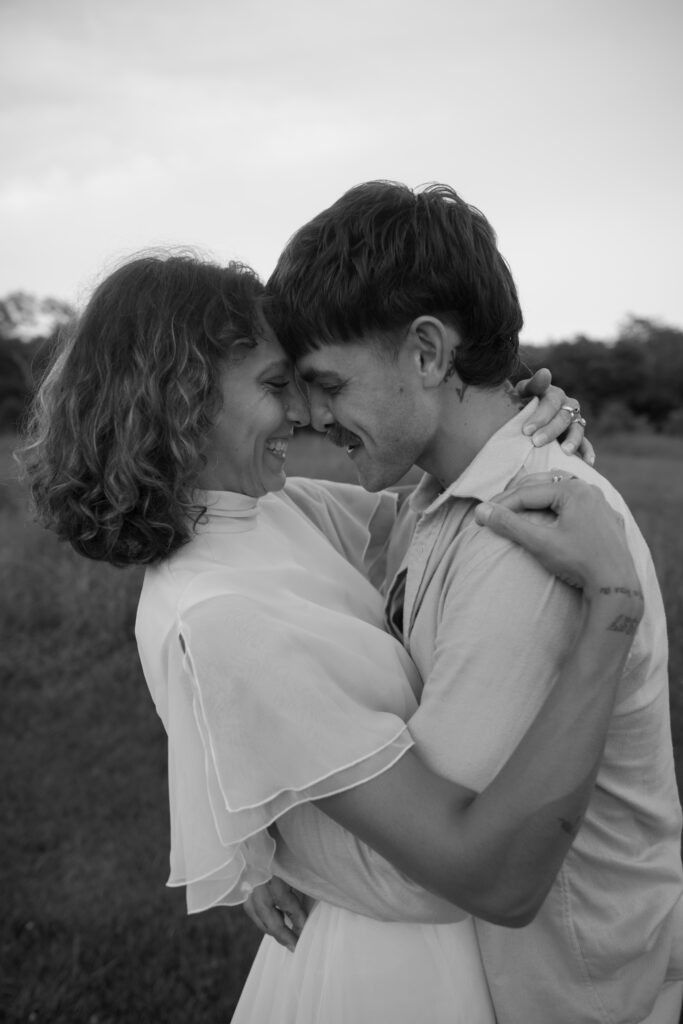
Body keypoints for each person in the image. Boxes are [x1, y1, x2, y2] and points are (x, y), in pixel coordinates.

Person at [21, 253, 642, 1024]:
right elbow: (468, 873)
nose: (304, 415)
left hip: (435, 936)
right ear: (184, 398)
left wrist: (518, 422)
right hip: (396, 959)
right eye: (278, 387)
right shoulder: (219, 611)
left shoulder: (276, 511)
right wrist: (612, 608)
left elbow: (447, 511)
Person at [262, 181, 683, 1023]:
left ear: (426, 352)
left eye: (327, 383)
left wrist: (258, 847)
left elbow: (441, 859)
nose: (309, 415)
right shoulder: (431, 499)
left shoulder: (528, 532)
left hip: (568, 995)